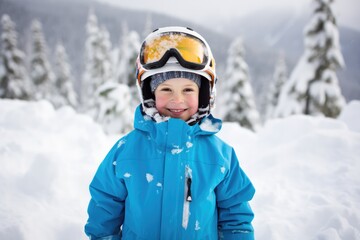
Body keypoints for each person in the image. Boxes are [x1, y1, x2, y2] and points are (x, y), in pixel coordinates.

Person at [84, 26, 255, 240]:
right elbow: (104, 208)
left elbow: (236, 217)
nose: (177, 100)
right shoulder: (126, 151)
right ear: (149, 93)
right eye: (166, 89)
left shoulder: (220, 155)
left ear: (204, 94)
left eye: (188, 90)